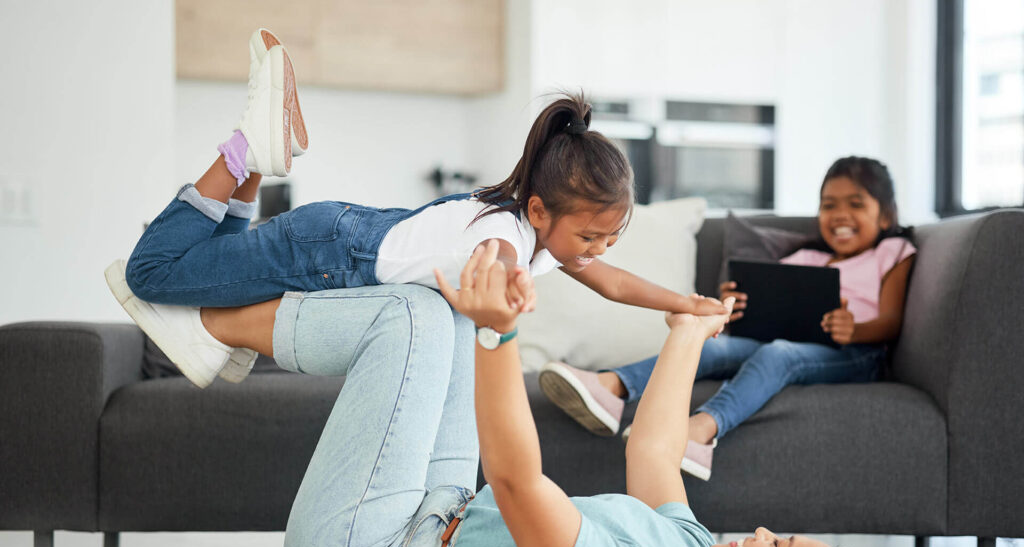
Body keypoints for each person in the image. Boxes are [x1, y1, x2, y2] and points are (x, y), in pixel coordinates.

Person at [194, 239, 868, 547]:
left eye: (775, 545)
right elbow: (655, 453)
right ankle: (220, 329)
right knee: (445, 299)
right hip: (440, 517)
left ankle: (201, 326)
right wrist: (690, 329)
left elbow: (517, 484)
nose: (757, 531)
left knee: (409, 320)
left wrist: (502, 336)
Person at [104, 28, 723, 388]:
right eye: (591, 237)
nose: (598, 252)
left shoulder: (540, 234)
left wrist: (684, 302)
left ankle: (261, 158)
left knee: (211, 268)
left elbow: (614, 283)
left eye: (608, 239)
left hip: (338, 241)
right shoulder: (509, 233)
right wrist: (508, 288)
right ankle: (244, 150)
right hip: (327, 253)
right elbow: (495, 258)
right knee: (149, 274)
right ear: (541, 211)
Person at [539, 156, 916, 481]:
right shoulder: (807, 260)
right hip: (788, 340)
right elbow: (771, 312)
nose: (841, 216)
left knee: (779, 355)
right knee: (719, 348)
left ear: (886, 215)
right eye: (829, 205)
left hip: (856, 353)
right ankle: (612, 387)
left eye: (856, 204)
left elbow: (893, 321)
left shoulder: (893, 251)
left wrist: (856, 331)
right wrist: (734, 308)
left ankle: (700, 433)